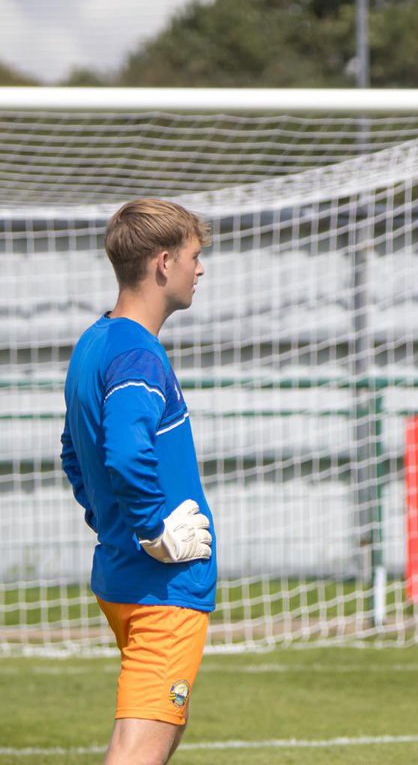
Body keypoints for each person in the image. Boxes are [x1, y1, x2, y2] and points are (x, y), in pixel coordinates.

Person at [60, 198, 216, 764]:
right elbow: (124, 453)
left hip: (125, 578)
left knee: (160, 729)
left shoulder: (94, 342)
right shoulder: (137, 356)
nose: (201, 269)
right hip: (162, 589)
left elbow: (73, 451)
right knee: (136, 752)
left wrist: (110, 521)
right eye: (195, 257)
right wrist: (152, 528)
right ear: (163, 262)